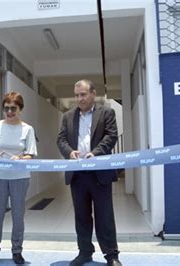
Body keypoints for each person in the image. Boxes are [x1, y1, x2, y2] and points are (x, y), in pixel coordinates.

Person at [57, 79, 122, 266]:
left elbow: (111, 135)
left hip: (99, 172)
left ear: (93, 94)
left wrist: (96, 153)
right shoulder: (68, 116)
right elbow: (60, 139)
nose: (80, 98)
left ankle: (112, 255)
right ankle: (85, 253)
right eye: (77, 95)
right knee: (82, 216)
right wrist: (69, 152)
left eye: (83, 94)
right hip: (77, 173)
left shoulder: (106, 112)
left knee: (105, 216)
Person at [0, 92, 37, 265]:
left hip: (20, 177)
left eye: (13, 108)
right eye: (6, 108)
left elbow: (30, 154)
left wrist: (20, 159)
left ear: (20, 109)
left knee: (17, 216)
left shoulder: (27, 129)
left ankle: (17, 251)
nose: (9, 111)